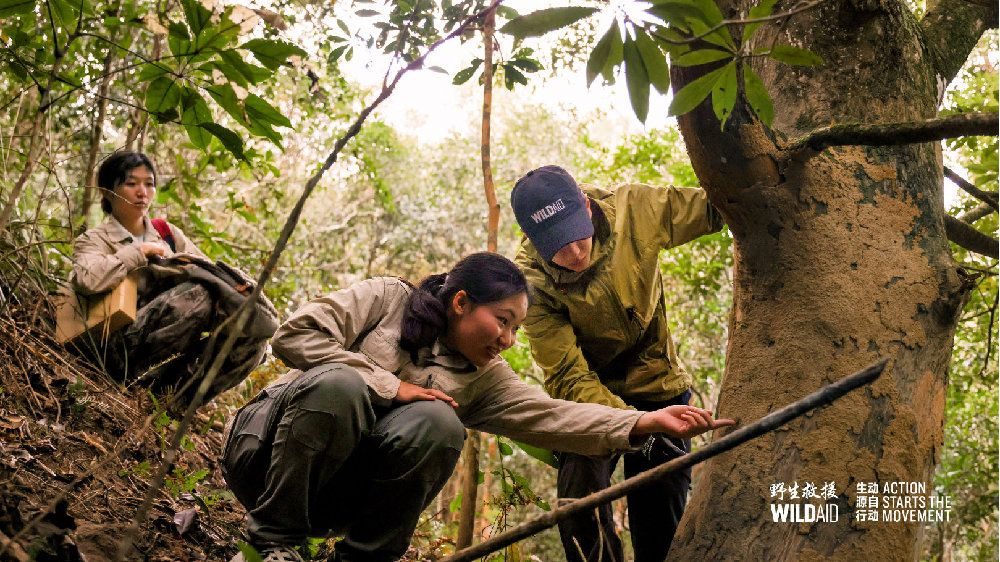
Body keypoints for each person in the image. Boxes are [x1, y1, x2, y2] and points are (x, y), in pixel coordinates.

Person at [222, 252, 733, 562]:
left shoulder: (485, 379)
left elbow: (553, 416)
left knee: (440, 423)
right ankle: (271, 543)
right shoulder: (387, 300)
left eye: (516, 328)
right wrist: (389, 385)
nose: (508, 339)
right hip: (261, 460)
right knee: (342, 386)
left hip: (332, 502)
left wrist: (644, 420)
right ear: (461, 302)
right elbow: (295, 334)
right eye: (502, 321)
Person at [509, 165, 725, 562]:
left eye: (578, 236)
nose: (576, 254)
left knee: (659, 523)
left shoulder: (634, 210)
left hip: (659, 386)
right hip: (589, 401)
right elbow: (567, 375)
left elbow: (720, 206)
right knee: (579, 506)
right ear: (532, 239)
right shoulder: (530, 285)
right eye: (558, 246)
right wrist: (634, 422)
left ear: (587, 206)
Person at [71, 150, 275, 406]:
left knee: (253, 340)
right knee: (197, 295)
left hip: (172, 348)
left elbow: (209, 277)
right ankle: (136, 386)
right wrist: (138, 253)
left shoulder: (167, 233)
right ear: (107, 191)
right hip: (118, 348)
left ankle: (171, 402)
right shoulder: (94, 240)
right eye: (131, 183)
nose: (142, 192)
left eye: (149, 184)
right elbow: (87, 280)